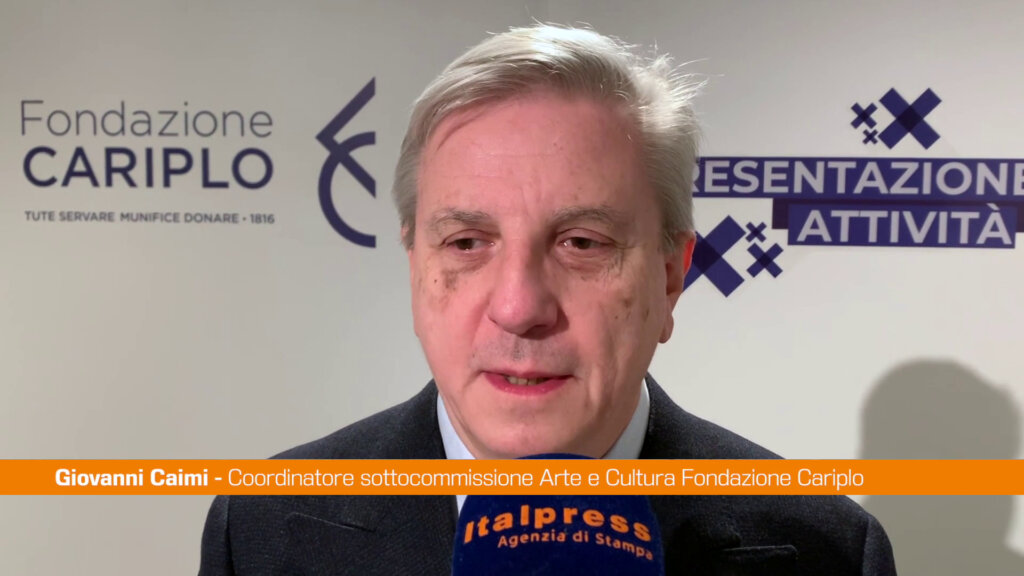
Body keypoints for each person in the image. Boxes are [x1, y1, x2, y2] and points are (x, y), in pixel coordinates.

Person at [199, 24, 896, 575]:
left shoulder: (830, 552)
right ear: (416, 267)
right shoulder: (260, 531)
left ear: (669, 277)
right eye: (467, 243)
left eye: (582, 243)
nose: (519, 307)